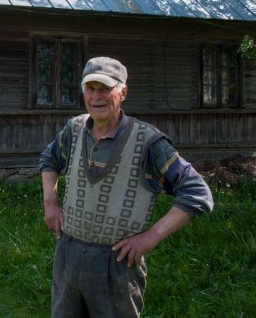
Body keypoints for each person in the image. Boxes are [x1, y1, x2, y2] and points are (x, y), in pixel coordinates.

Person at [39, 57, 213, 317]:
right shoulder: (74, 129)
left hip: (118, 264)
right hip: (69, 255)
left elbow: (197, 192)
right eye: (90, 88)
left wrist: (150, 238)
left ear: (123, 92)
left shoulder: (147, 142)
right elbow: (49, 159)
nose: (96, 96)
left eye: (105, 88)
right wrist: (50, 202)